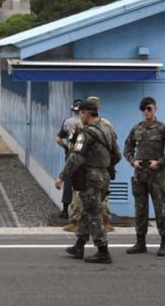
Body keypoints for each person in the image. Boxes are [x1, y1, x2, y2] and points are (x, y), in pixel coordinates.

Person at [55, 100, 121, 264]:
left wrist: (62, 176)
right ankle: (79, 245)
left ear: (87, 114)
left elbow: (76, 157)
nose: (79, 116)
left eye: (81, 113)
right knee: (87, 210)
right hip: (104, 176)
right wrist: (104, 167)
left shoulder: (86, 133)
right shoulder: (107, 129)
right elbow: (117, 155)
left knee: (93, 213)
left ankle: (103, 250)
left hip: (91, 177)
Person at [123, 96, 165, 257]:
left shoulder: (164, 128)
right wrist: (133, 161)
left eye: (149, 108)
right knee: (140, 210)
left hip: (157, 175)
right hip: (140, 175)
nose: (146, 112)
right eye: (144, 109)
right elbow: (127, 149)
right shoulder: (136, 129)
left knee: (161, 210)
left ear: (155, 109)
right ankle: (140, 243)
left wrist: (160, 162)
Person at [64, 96, 116, 233]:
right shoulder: (104, 125)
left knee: (88, 199)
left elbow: (72, 147)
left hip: (89, 169)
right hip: (98, 169)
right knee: (91, 199)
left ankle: (96, 229)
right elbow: (115, 150)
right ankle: (82, 226)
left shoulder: (100, 125)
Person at [55, 99, 82, 219]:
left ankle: (66, 210)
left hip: (71, 154)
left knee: (68, 180)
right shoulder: (88, 122)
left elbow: (58, 138)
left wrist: (65, 147)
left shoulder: (68, 122)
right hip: (84, 156)